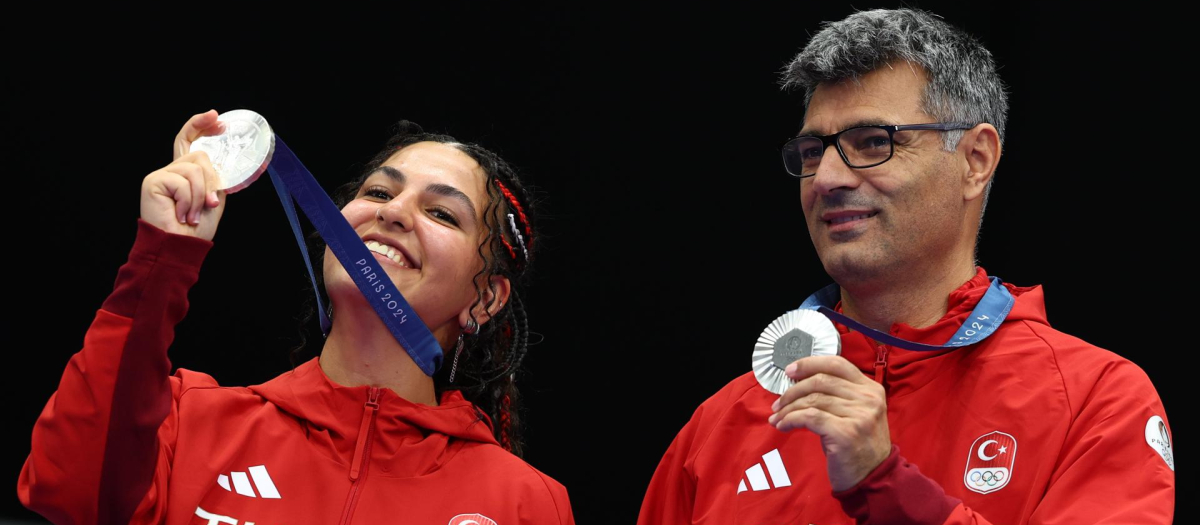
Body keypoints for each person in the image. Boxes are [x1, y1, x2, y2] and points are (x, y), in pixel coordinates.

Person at [637, 8, 1174, 525]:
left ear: (975, 161)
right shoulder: (718, 428)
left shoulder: (1096, 401)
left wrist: (887, 485)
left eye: (872, 142)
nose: (826, 178)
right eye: (811, 150)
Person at [18, 111, 574, 525]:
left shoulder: (524, 502)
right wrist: (161, 259)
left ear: (484, 299)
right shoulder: (190, 422)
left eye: (441, 213)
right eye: (379, 190)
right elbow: (72, 493)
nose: (392, 212)